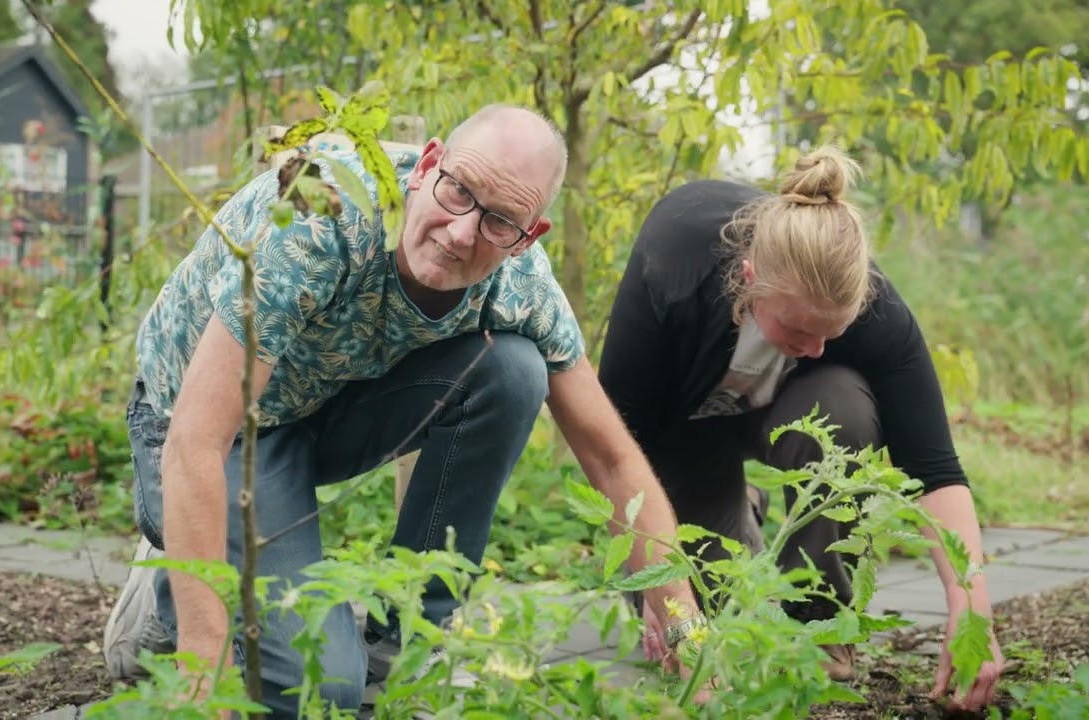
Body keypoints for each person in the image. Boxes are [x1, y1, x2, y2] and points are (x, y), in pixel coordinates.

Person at [101, 103, 707, 718]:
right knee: (316, 693)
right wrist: (204, 668)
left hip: (319, 411)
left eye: (500, 221)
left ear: (530, 235)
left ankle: (409, 644)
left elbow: (610, 459)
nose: (462, 233)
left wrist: (686, 628)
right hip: (201, 433)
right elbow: (195, 442)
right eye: (459, 192)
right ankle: (167, 599)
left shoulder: (522, 285)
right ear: (428, 164)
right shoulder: (321, 218)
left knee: (514, 370)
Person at [597, 146, 1006, 712]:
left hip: (797, 411)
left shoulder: (875, 309)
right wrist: (661, 590)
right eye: (797, 328)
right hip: (683, 434)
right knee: (699, 628)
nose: (814, 347)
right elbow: (617, 447)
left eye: (830, 334)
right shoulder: (675, 264)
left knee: (844, 403)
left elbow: (934, 469)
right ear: (750, 277)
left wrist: (971, 609)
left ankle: (820, 616)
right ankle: (740, 508)